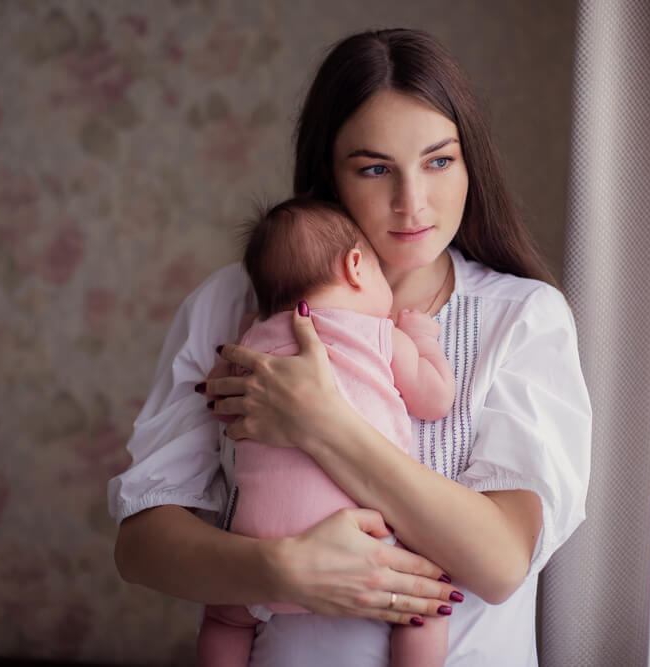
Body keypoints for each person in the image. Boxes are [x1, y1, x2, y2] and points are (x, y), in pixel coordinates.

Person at [109, 28, 591, 666]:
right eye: (374, 168)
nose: (412, 202)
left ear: (471, 161)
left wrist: (321, 422)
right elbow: (141, 544)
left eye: (439, 161)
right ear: (328, 176)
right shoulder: (233, 303)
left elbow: (500, 563)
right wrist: (283, 570)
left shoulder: (521, 318)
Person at [196, 198, 455, 667]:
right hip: (362, 543)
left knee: (225, 618)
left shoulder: (250, 346)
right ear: (356, 267)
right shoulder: (378, 335)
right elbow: (435, 399)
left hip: (259, 548)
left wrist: (240, 340)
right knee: (427, 604)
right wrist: (423, 338)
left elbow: (218, 402)